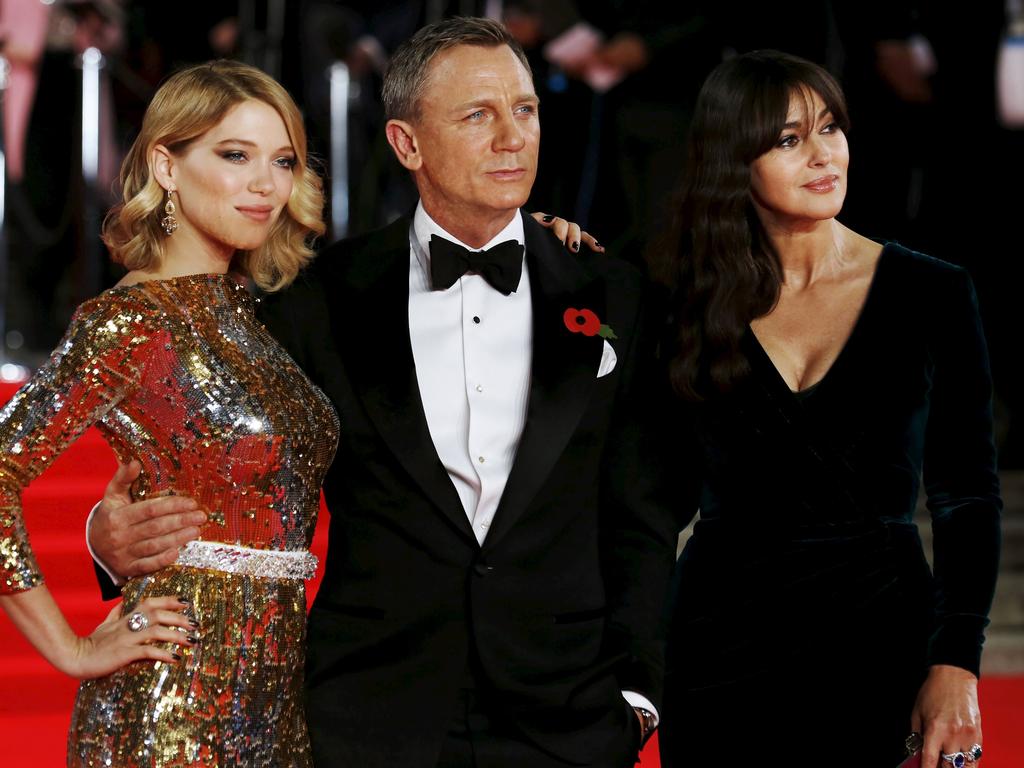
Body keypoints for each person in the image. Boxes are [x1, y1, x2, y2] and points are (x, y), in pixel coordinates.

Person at [88, 16, 678, 768]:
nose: (512, 137)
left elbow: (641, 513)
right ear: (407, 144)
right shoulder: (317, 304)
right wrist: (107, 542)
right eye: (478, 115)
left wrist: (636, 697)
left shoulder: (614, 294)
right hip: (370, 720)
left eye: (524, 110)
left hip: (566, 721)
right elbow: (219, 474)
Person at [654, 49, 1001, 767]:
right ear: (733, 158)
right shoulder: (683, 302)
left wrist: (956, 661)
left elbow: (967, 498)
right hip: (717, 649)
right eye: (788, 139)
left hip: (882, 639)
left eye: (830, 128)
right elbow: (650, 500)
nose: (822, 156)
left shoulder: (932, 292)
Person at [0, 59, 340, 766]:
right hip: (170, 700)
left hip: (279, 701)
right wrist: (71, 648)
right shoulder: (126, 322)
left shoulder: (251, 311)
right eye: (234, 155)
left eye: (282, 161)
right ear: (168, 164)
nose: (264, 184)